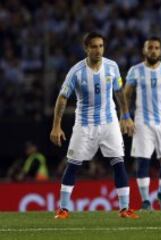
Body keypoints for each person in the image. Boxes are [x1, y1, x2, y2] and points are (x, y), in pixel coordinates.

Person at [49, 32, 138, 219]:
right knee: (73, 164)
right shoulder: (76, 71)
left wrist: (126, 115)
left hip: (109, 122)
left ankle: (124, 209)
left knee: (119, 162)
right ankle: (63, 209)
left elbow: (119, 92)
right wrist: (56, 126)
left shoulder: (112, 67)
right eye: (94, 46)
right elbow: (62, 98)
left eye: (101, 46)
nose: (98, 50)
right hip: (84, 124)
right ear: (86, 49)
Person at [124, 37, 161, 210]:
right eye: (150, 48)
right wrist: (125, 116)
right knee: (142, 161)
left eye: (156, 48)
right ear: (144, 50)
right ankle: (146, 201)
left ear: (160, 51)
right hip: (142, 122)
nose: (153, 50)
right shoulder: (135, 70)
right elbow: (126, 94)